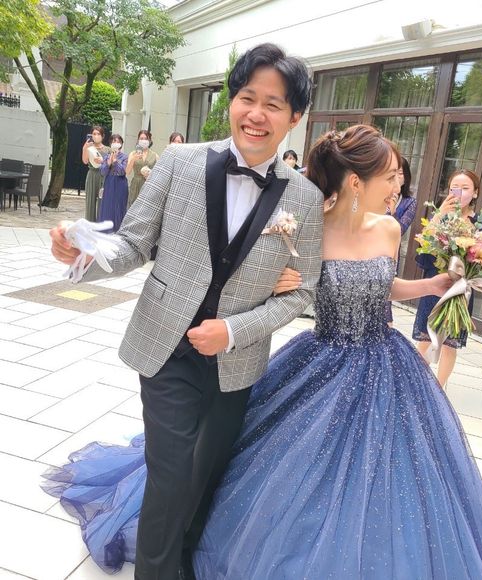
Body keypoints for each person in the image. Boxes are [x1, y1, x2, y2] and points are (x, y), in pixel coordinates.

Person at [44, 126, 482, 579]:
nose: (397, 187)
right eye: (390, 177)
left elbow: (383, 284)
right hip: (325, 357)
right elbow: (265, 278)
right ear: (355, 182)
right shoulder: (309, 225)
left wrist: (433, 285)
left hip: (385, 358)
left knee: (392, 471)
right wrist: (280, 283)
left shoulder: (388, 229)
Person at [46, 43, 322, 580]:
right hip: (165, 344)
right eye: (247, 98)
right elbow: (135, 242)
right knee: (170, 474)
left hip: (235, 362)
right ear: (231, 102)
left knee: (205, 474)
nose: (256, 114)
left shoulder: (305, 198)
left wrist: (234, 330)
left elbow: (301, 291)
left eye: (273, 104)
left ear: (294, 118)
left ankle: (183, 564)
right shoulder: (180, 162)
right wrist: (86, 253)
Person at [413, 169, 482, 388]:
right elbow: (424, 250)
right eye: (454, 188)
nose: (459, 193)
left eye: (465, 188)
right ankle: (416, 387)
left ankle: (439, 389)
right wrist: (439, 216)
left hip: (461, 286)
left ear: (475, 193)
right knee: (425, 337)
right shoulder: (440, 216)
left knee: (450, 343)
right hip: (436, 281)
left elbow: (480, 253)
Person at [386, 155, 417, 325]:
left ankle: (387, 326)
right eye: (394, 173)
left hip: (391, 250)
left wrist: (392, 212)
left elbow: (400, 229)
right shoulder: (378, 194)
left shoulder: (409, 202)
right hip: (369, 246)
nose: (397, 178)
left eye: (401, 173)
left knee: (386, 289)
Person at [98, 134, 129, 232]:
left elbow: (122, 172)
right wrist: (108, 163)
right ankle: (105, 230)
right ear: (110, 143)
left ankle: (117, 230)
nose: (116, 143)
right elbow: (102, 172)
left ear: (121, 144)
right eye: (114, 141)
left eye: (118, 141)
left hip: (120, 184)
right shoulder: (106, 156)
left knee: (119, 206)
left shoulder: (125, 157)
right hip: (109, 183)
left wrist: (115, 162)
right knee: (107, 206)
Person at [82, 126, 110, 221]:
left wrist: (103, 161)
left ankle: (100, 224)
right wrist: (85, 147)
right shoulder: (89, 148)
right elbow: (85, 161)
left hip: (103, 176)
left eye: (98, 134)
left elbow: (111, 164)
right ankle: (89, 224)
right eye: (94, 134)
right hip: (92, 175)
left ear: (103, 136)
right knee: (90, 201)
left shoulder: (108, 149)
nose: (96, 136)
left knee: (102, 201)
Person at [126, 129, 159, 208]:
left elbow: (158, 173)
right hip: (136, 184)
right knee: (133, 207)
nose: (144, 140)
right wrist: (133, 159)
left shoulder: (155, 155)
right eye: (141, 138)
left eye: (146, 138)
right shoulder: (133, 153)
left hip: (148, 184)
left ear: (150, 140)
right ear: (138, 140)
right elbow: (127, 172)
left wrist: (150, 174)